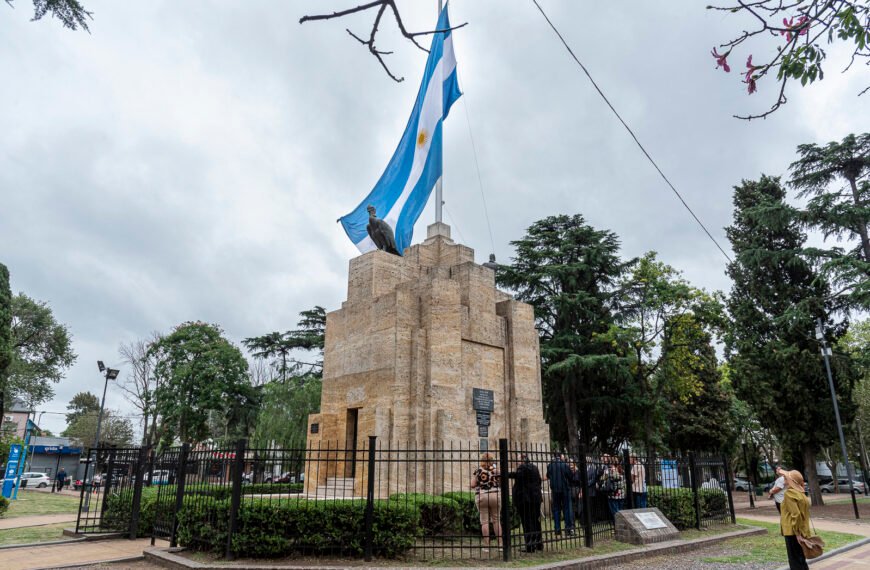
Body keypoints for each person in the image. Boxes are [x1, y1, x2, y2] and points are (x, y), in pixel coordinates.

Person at [511, 454, 543, 552]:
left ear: (523, 460)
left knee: (527, 522)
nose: (517, 462)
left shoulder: (523, 468)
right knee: (535, 521)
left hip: (526, 499)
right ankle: (538, 543)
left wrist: (503, 473)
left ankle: (530, 545)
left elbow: (517, 476)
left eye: (518, 460)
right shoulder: (535, 467)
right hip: (536, 498)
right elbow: (539, 480)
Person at [781, 470, 811, 570]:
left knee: (794, 560)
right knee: (800, 558)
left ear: (791, 481)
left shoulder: (789, 494)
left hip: (792, 532)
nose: (784, 481)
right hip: (802, 529)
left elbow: (796, 514)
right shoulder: (801, 493)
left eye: (785, 479)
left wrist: (797, 533)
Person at [471, 452, 502, 550]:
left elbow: (472, 484)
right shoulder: (496, 471)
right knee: (496, 520)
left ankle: (486, 546)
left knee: (484, 522)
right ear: (492, 460)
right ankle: (500, 544)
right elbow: (501, 482)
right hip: (495, 495)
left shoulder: (479, 470)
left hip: (482, 496)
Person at [546, 452, 575, 537]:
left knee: (556, 509)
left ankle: (557, 529)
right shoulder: (564, 465)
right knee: (566, 509)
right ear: (560, 456)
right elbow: (570, 476)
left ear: (555, 456)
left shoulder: (550, 465)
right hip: (565, 489)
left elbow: (548, 475)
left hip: (555, 490)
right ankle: (567, 529)